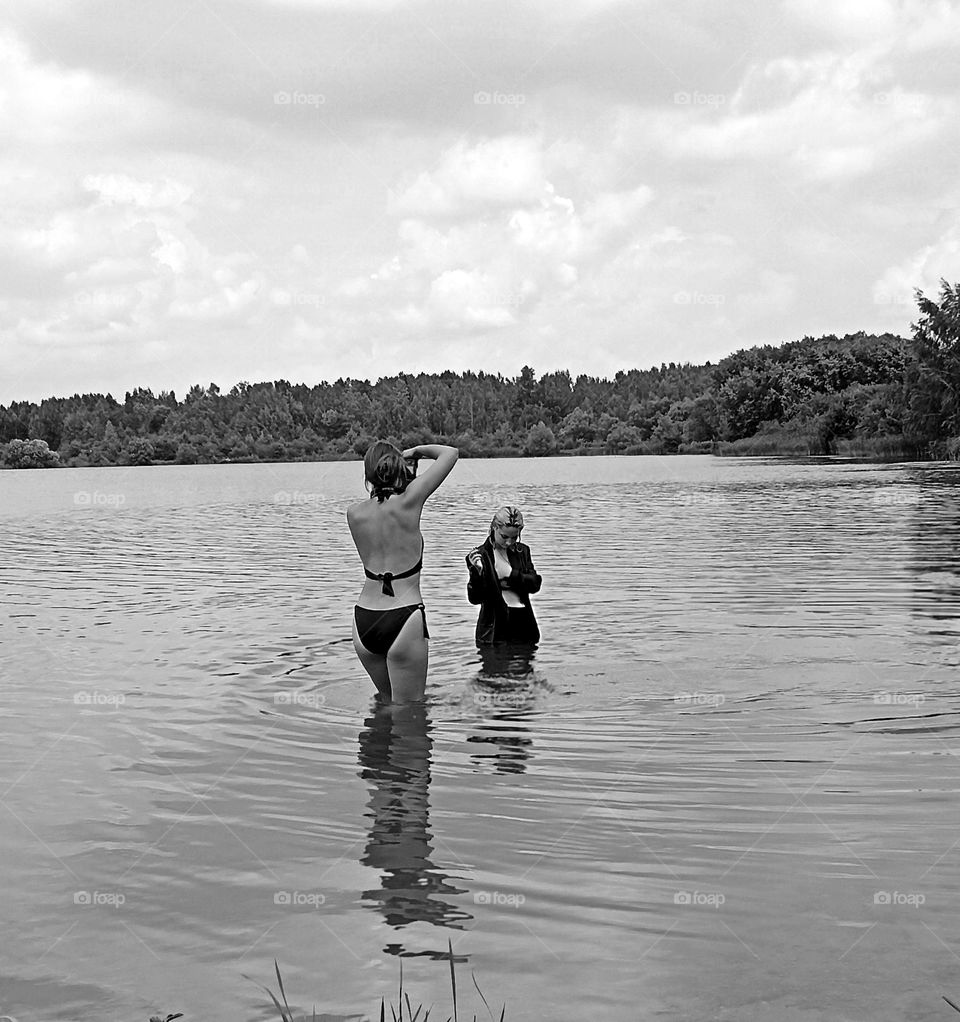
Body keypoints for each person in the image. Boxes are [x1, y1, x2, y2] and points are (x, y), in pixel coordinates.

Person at [348, 440, 458, 704]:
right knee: (410, 715)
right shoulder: (410, 501)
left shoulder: (353, 513)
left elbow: (382, 505)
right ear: (398, 466)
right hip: (403, 616)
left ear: (368, 474)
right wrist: (415, 452)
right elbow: (450, 454)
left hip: (364, 620)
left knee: (386, 704)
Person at [465, 506, 541, 646]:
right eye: (504, 537)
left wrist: (512, 575)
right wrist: (477, 573)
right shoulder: (480, 556)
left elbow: (535, 584)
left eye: (514, 537)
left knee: (526, 664)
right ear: (494, 528)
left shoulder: (522, 551)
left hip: (524, 625)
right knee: (494, 665)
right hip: (494, 629)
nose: (509, 542)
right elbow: (475, 598)